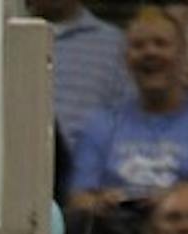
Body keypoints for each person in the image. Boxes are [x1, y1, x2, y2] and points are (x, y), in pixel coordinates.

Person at [69, 7, 188, 224]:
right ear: (126, 58)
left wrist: (177, 197)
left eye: (161, 44)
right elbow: (78, 199)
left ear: (185, 53)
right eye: (138, 46)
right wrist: (102, 203)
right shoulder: (101, 122)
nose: (150, 52)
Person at [25, 0, 128, 155]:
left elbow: (129, 120)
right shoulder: (5, 40)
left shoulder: (115, 45)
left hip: (91, 171)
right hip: (16, 166)